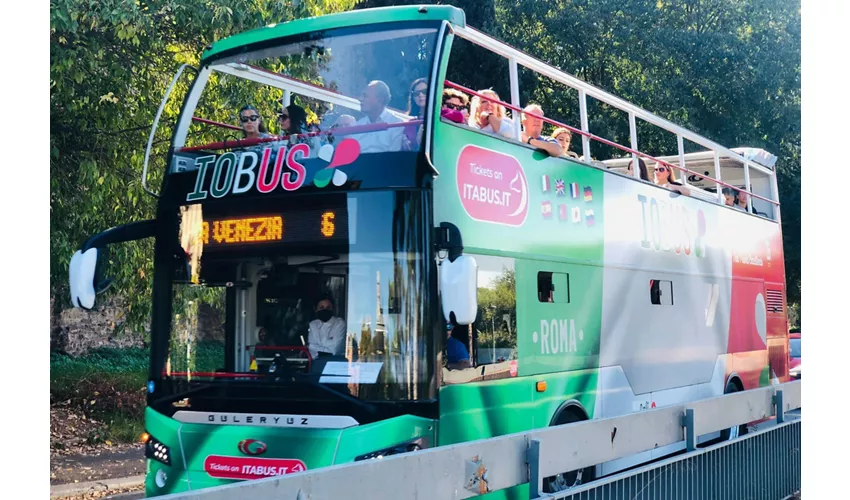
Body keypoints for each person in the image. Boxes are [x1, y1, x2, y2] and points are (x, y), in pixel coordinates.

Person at [352, 80, 405, 153]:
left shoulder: (397, 125)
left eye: (365, 96)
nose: (360, 99)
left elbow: (393, 158)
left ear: (380, 100)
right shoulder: (357, 126)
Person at [306, 296, 347, 360]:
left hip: (335, 362)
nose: (325, 310)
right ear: (316, 309)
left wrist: (316, 348)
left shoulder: (339, 324)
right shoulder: (313, 324)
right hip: (317, 363)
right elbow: (311, 350)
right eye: (321, 307)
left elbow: (334, 350)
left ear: (332, 309)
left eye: (328, 307)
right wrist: (326, 348)